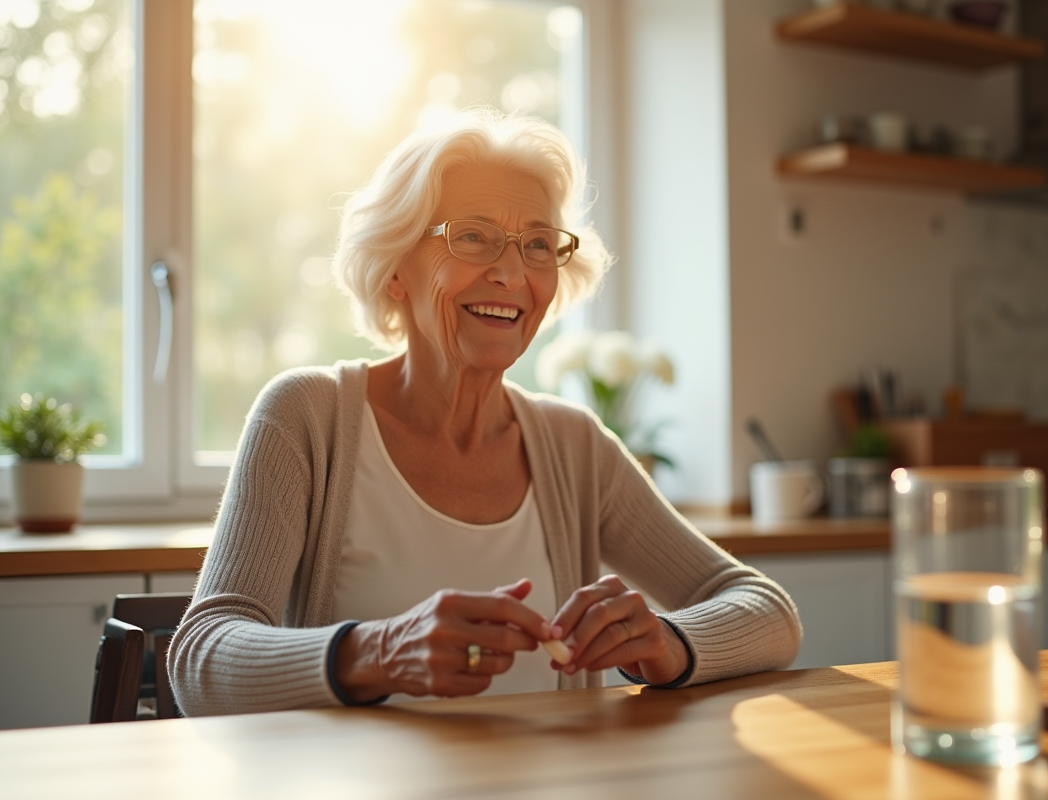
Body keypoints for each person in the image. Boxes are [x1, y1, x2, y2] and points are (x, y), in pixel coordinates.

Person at [168, 109, 801, 715]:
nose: (510, 272)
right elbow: (201, 658)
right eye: (473, 238)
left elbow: (767, 610)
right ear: (395, 271)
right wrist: (379, 651)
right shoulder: (308, 418)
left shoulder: (572, 445)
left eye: (537, 245)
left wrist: (666, 640)